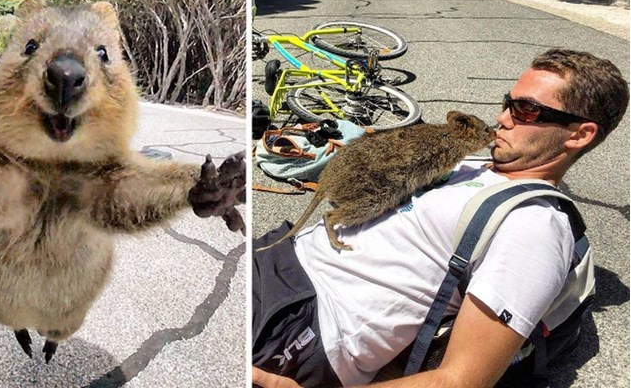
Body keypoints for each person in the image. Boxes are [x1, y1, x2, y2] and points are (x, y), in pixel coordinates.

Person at [251, 48, 629, 388]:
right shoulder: (475, 164)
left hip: (301, 319)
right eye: (507, 102)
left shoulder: (534, 225)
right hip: (276, 254)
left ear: (579, 135)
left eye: (526, 110)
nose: (502, 118)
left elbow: (460, 379)